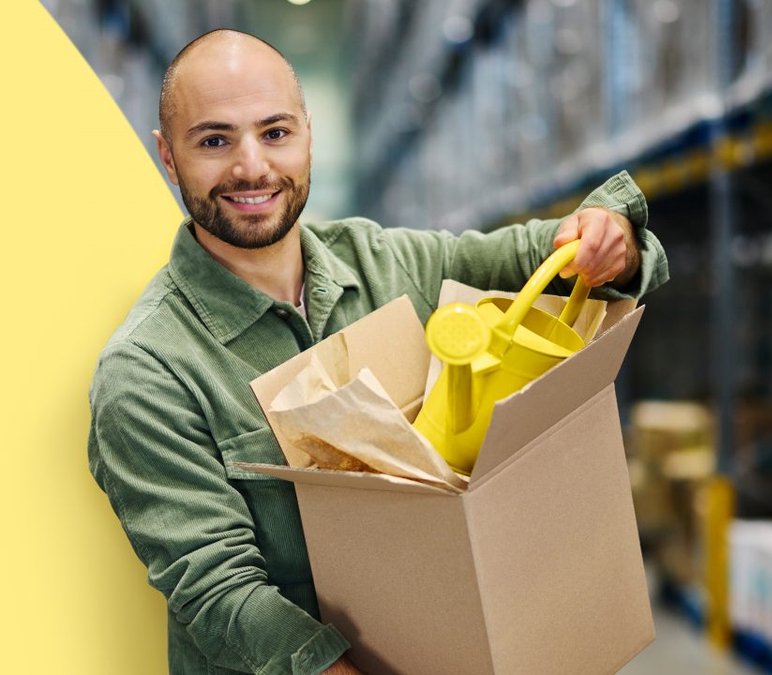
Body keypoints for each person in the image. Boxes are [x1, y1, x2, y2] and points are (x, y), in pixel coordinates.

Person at [87, 29, 668, 675]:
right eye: (215, 140)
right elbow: (220, 591)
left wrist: (611, 235)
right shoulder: (148, 369)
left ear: (308, 132)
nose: (251, 166)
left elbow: (544, 258)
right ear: (167, 156)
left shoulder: (395, 266)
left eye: (275, 132)